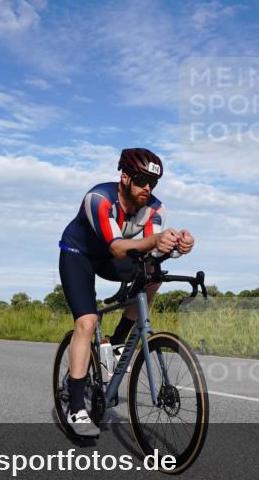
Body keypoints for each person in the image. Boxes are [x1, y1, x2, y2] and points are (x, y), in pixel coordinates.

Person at [58, 148, 195, 437]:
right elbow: (118, 246)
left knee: (154, 274)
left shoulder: (155, 209)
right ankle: (76, 404)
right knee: (87, 321)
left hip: (113, 258)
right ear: (124, 176)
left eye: (153, 183)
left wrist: (176, 248)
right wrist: (155, 241)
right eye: (142, 180)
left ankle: (119, 340)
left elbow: (151, 252)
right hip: (78, 254)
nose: (148, 188)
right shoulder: (99, 199)